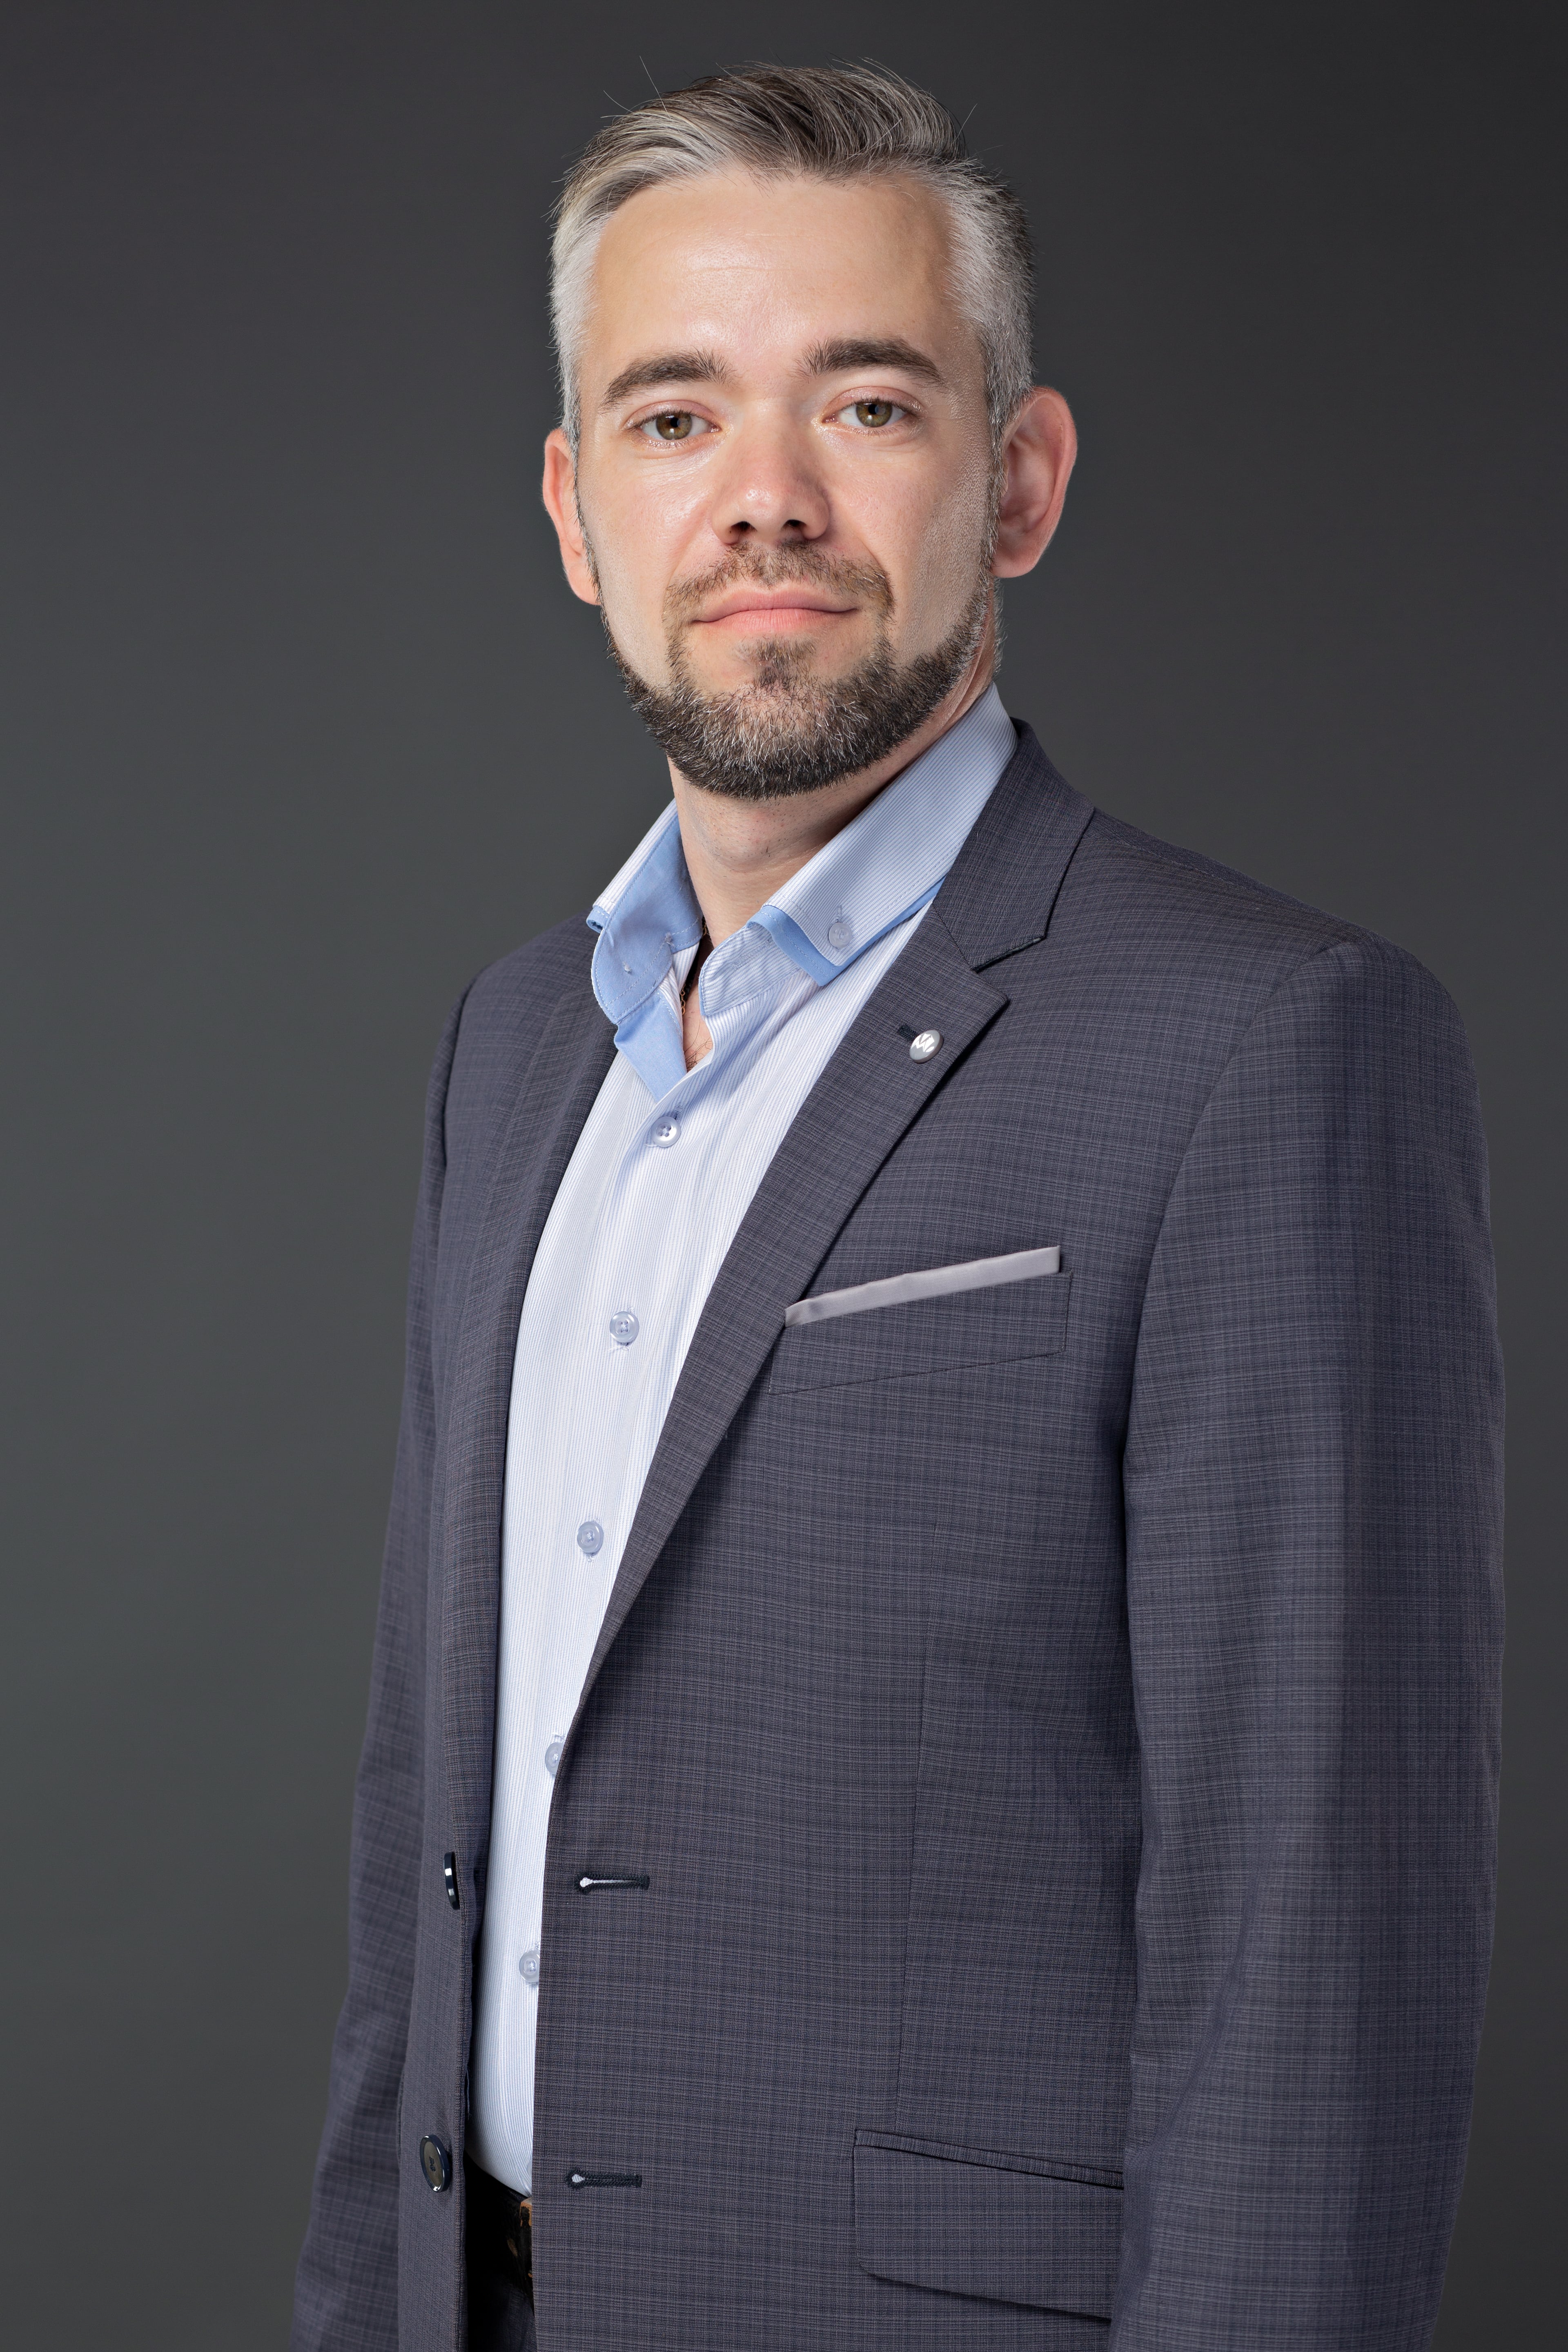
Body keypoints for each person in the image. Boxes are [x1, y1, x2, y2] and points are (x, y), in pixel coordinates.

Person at [291, 62, 1503, 2352]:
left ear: (1017, 481)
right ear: (576, 510)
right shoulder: (513, 1048)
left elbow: (1318, 1949)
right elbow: (431, 1817)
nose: (764, 497)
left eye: (864, 403)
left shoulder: (1270, 1046)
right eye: (673, 419)